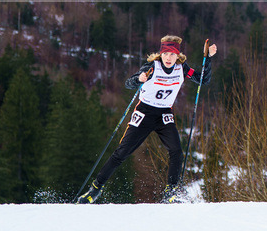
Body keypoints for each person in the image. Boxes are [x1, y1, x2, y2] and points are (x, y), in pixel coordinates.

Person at [77, 35, 217, 203]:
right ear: (161, 53)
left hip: (164, 113)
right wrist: (139, 79)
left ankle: (170, 191)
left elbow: (203, 80)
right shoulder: (152, 67)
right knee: (122, 152)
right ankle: (95, 189)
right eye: (165, 53)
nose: (168, 58)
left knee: (176, 151)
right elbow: (129, 83)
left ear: (177, 55)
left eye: (172, 54)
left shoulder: (182, 68)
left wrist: (207, 59)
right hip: (145, 112)